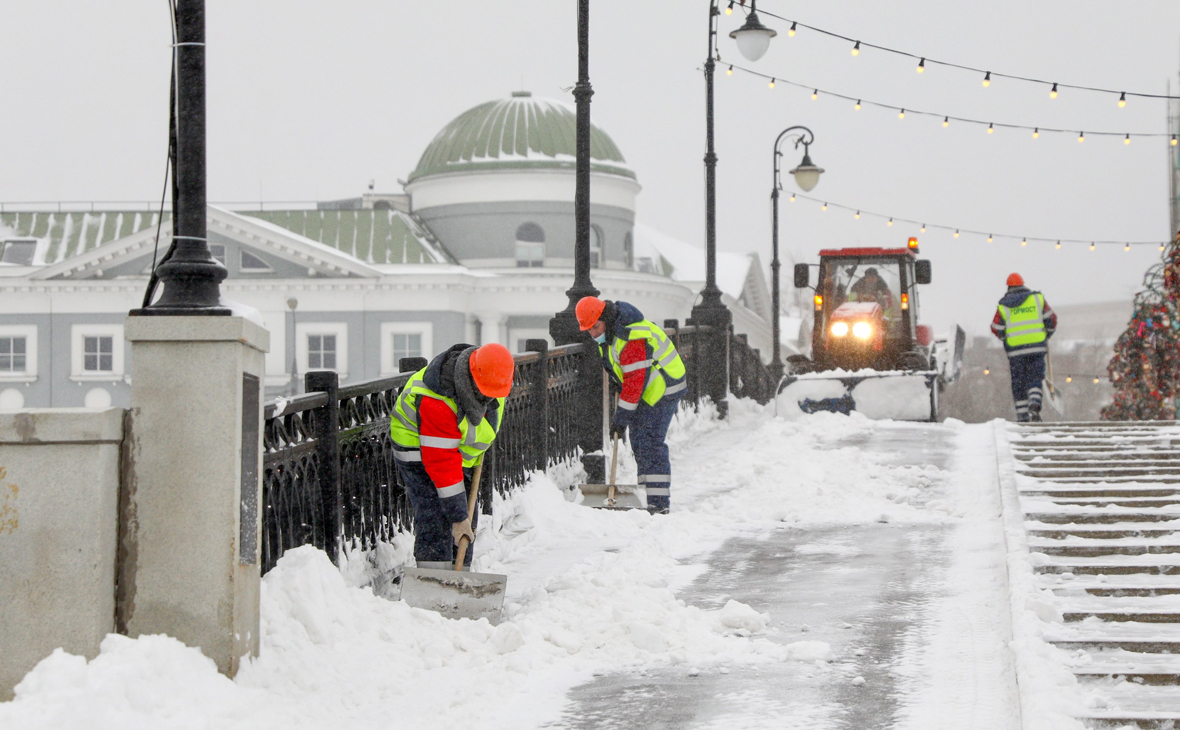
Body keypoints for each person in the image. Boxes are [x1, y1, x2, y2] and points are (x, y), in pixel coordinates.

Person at [390, 343, 514, 569]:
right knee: (436, 516)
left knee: (467, 520)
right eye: (486, 392)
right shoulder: (436, 399)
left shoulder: (493, 381)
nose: (491, 398)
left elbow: (483, 426)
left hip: (456, 454)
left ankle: (460, 576)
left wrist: (462, 519)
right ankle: (433, 581)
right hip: (418, 449)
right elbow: (442, 464)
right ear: (473, 378)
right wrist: (457, 519)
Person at [576, 296, 687, 514]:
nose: (593, 334)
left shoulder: (630, 337)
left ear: (605, 319)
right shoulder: (610, 335)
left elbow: (634, 383)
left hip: (663, 388)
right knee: (640, 441)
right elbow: (626, 379)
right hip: (649, 390)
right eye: (589, 330)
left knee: (650, 443)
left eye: (596, 327)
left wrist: (621, 419)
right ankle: (647, 495)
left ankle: (659, 504)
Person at [992, 273, 1057, 422]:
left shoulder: (1003, 306)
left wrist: (1005, 337)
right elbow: (1051, 320)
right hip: (1036, 348)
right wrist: (1047, 334)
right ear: (1023, 285)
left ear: (1008, 287)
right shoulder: (1037, 299)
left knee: (1018, 383)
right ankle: (1034, 404)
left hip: (1015, 351)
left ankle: (1022, 416)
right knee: (1035, 378)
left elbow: (996, 327)